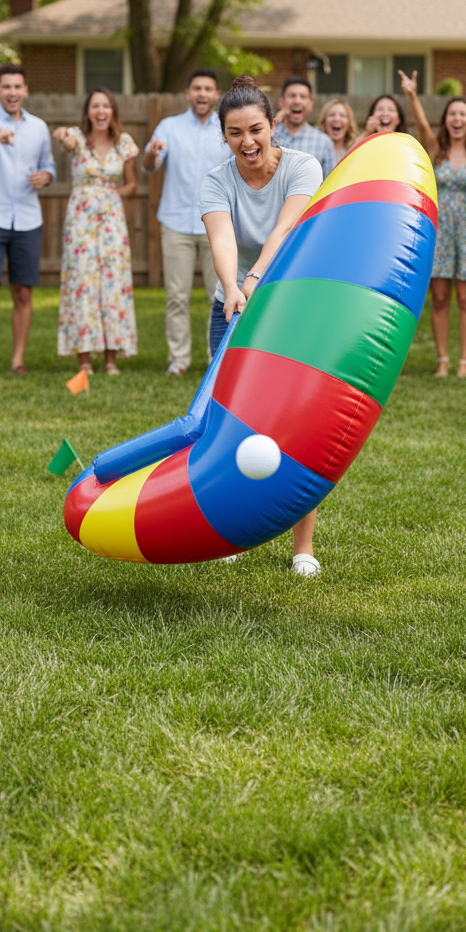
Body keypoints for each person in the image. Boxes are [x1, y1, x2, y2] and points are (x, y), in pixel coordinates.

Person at [200, 74, 323, 577]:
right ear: (224, 135)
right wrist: (231, 287)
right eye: (234, 133)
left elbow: (284, 229)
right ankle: (235, 531)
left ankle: (303, 548)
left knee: (295, 426)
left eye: (255, 129)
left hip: (288, 303)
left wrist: (252, 279)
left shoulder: (303, 166)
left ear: (274, 125)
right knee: (226, 426)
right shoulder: (215, 179)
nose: (247, 142)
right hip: (231, 307)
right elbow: (223, 239)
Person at [399, 71, 466, 378]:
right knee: (439, 299)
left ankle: (464, 363)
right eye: (452, 114)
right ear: (447, 120)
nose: (456, 119)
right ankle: (443, 361)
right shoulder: (435, 148)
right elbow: (422, 125)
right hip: (439, 230)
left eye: (462, 114)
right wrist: (412, 96)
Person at [0, 63, 56, 377]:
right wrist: (0, 134)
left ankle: (18, 360)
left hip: (28, 219)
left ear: (26, 90)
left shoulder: (39, 127)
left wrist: (47, 176)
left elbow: (49, 165)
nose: (12, 92)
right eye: (6, 87)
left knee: (22, 291)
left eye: (18, 86)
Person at [142, 68, 225, 375]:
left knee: (219, 297)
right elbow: (149, 166)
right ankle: (179, 361)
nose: (202, 93)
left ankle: (217, 360)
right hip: (176, 222)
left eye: (208, 88)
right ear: (188, 94)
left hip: (217, 225)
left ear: (215, 95)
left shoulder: (226, 127)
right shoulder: (169, 126)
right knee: (177, 296)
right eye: (197, 88)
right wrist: (152, 153)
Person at [53, 89, 139, 375]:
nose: (101, 111)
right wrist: (63, 133)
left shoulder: (124, 144)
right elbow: (65, 142)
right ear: (88, 112)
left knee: (113, 284)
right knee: (82, 282)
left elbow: (132, 185)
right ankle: (84, 359)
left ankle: (111, 359)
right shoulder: (77, 139)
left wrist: (113, 194)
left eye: (106, 106)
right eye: (95, 106)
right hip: (80, 221)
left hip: (112, 220)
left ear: (113, 111)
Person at [272, 76, 336, 179]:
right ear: (281, 102)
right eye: (292, 96)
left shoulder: (324, 143)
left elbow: (330, 185)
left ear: (310, 105)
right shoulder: (268, 136)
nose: (297, 101)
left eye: (303, 97)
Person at [319, 97, 358, 163]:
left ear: (349, 123)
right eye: (331, 115)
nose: (336, 119)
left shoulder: (356, 151)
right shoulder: (316, 150)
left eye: (342, 115)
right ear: (323, 122)